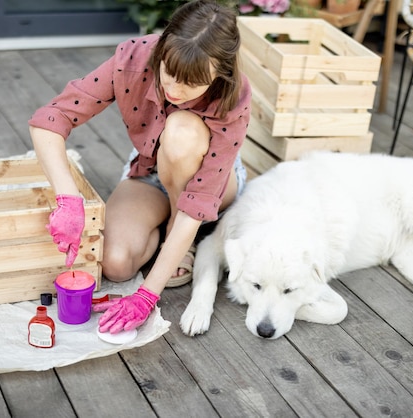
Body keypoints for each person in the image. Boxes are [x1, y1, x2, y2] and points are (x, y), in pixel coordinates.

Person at [28, 0, 251, 334]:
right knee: (117, 265)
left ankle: (182, 241)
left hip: (211, 184)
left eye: (191, 85)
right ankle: (164, 233)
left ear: (219, 74)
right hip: (148, 170)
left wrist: (146, 295)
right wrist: (68, 200)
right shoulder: (133, 58)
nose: (175, 91)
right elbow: (50, 119)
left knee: (181, 130)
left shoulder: (233, 95)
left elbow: (198, 201)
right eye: (169, 75)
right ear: (161, 48)